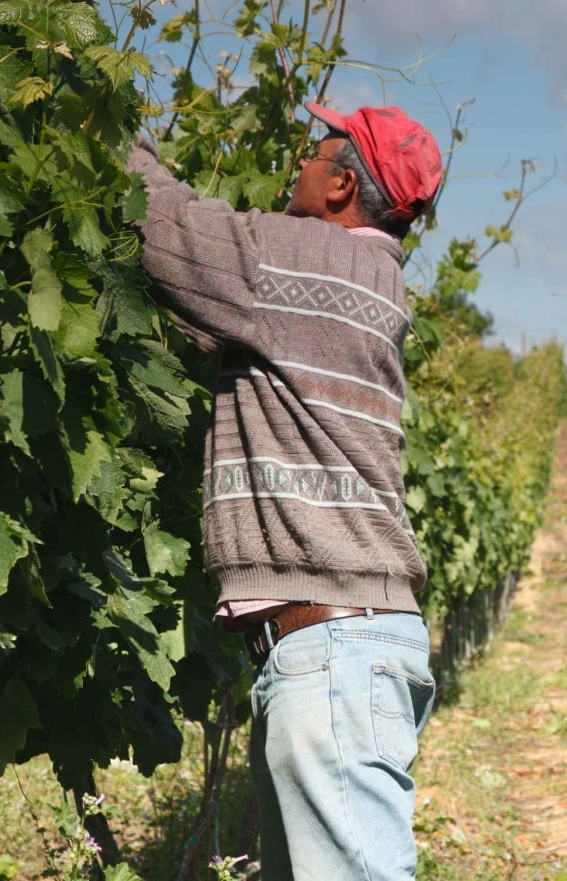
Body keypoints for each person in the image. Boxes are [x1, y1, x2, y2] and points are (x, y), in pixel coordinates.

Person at [128, 102, 444, 881]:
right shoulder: (361, 280)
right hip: (342, 643)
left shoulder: (303, 261)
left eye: (315, 152)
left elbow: (164, 224)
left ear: (342, 185)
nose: (297, 164)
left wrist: (104, 118)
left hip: (334, 649)